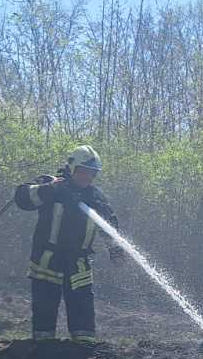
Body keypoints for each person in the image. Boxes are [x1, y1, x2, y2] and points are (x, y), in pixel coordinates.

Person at [14, 145, 124, 343]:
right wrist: (49, 189)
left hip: (78, 263)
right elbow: (22, 198)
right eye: (83, 171)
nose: (87, 177)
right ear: (72, 168)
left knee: (82, 307)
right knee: (44, 306)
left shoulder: (95, 196)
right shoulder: (51, 185)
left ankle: (83, 349)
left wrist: (115, 249)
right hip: (47, 261)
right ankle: (43, 349)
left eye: (92, 173)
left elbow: (109, 224)